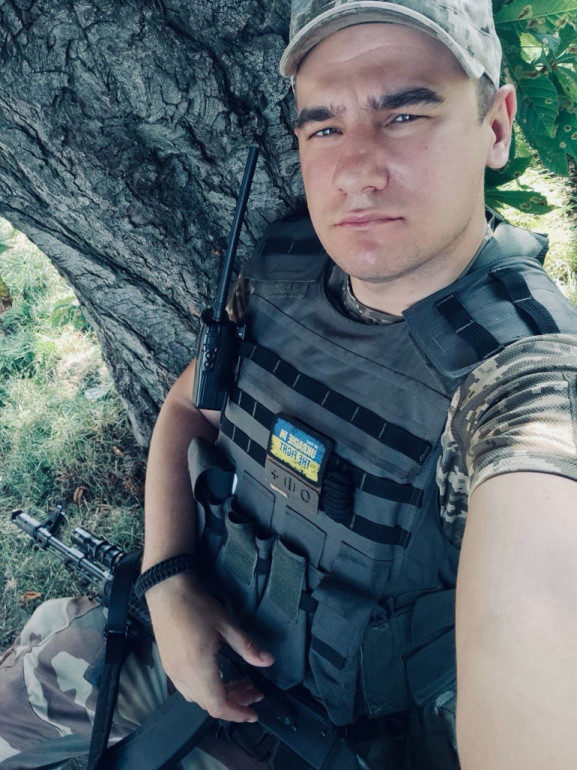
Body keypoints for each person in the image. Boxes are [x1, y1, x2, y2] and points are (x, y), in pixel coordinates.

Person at [1, 0, 577, 768]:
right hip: (183, 636)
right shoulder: (288, 271)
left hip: (342, 741)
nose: (356, 172)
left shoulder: (523, 376)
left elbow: (538, 618)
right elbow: (189, 405)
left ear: (496, 126)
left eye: (404, 115)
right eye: (324, 127)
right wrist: (168, 580)